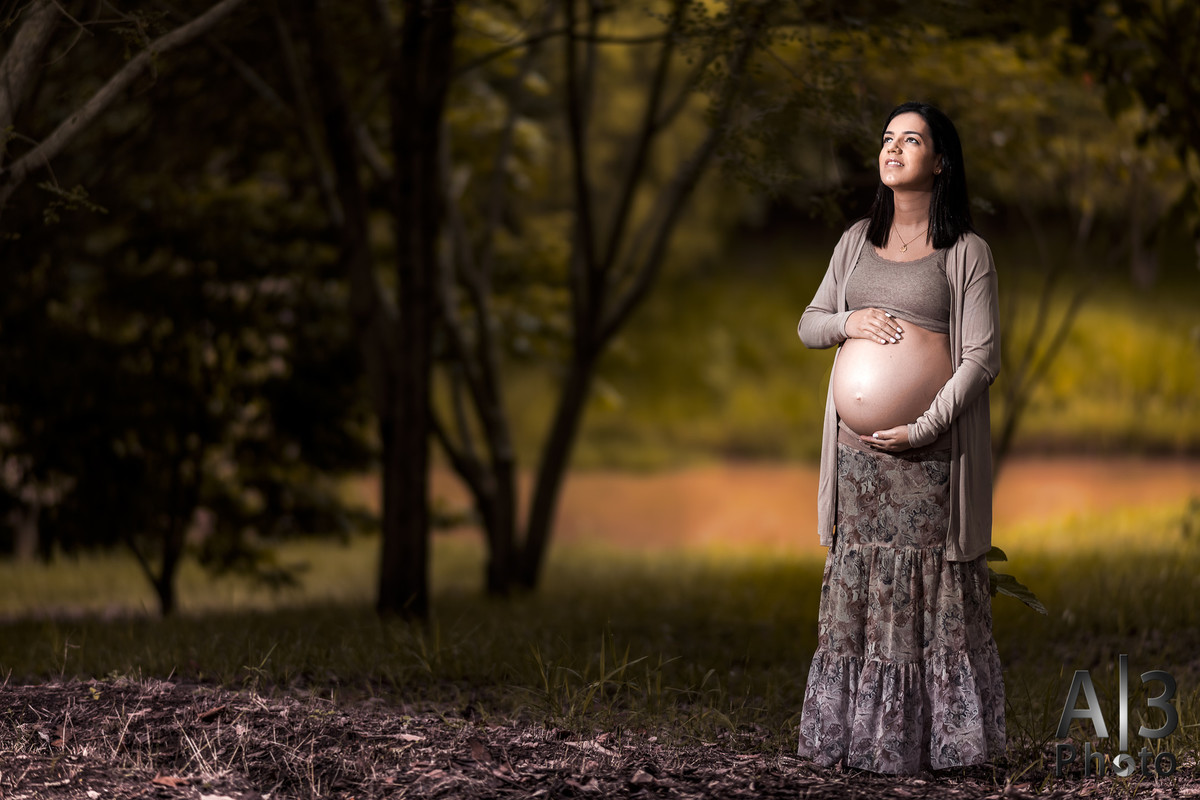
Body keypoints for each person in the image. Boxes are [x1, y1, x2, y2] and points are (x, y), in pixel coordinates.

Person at [795, 101, 1005, 774]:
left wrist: (924, 425)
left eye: (910, 140)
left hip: (929, 459)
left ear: (939, 161)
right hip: (858, 466)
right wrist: (848, 322)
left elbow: (981, 357)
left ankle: (933, 745)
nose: (893, 149)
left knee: (925, 592)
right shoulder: (856, 241)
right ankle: (859, 741)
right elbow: (810, 322)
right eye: (887, 138)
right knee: (865, 590)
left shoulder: (966, 252)